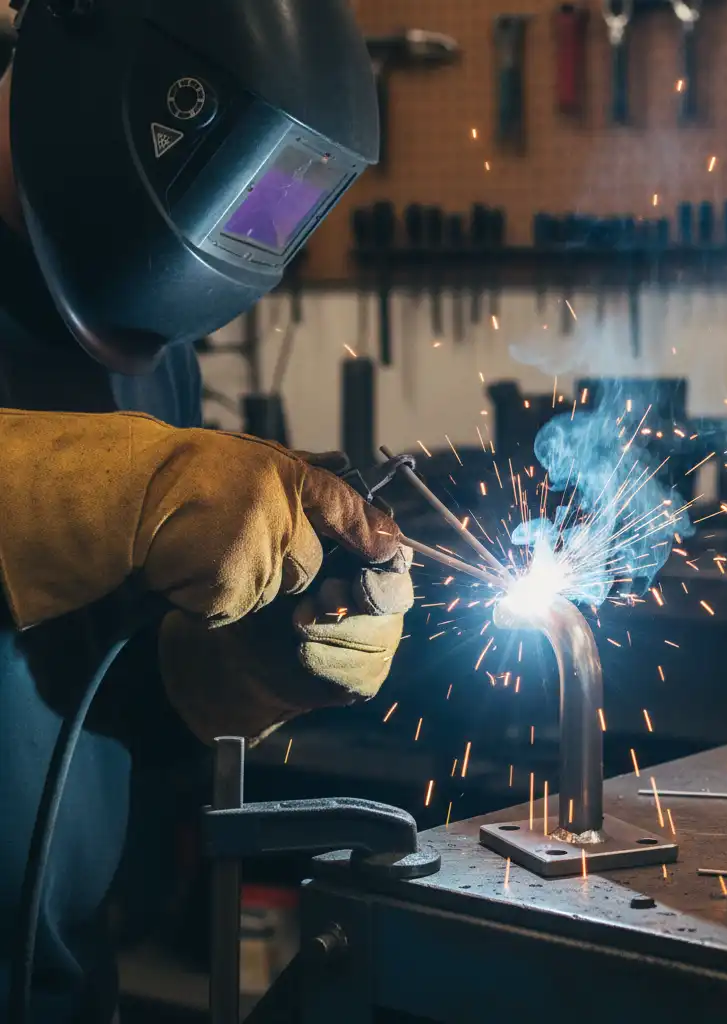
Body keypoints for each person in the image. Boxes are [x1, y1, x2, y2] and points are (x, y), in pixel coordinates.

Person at [0, 2, 412, 1021]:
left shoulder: (139, 335)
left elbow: (97, 683)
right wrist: (110, 488)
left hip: (55, 980)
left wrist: (241, 661)